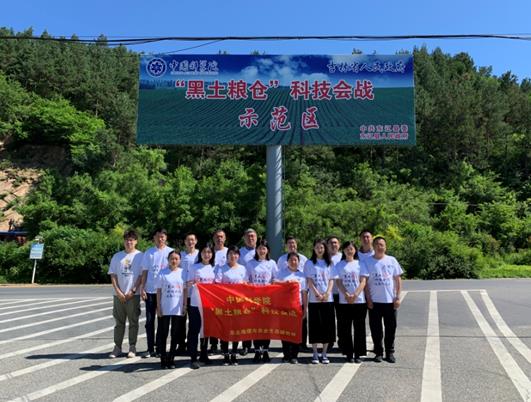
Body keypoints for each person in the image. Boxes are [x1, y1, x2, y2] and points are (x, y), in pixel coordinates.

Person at [361, 236, 403, 363]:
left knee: (391, 328)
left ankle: (389, 352)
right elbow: (365, 282)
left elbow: (398, 280)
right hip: (374, 302)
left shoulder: (392, 260)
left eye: (382, 245)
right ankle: (378, 352)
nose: (380, 247)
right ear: (373, 246)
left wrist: (397, 297)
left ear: (385, 246)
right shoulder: (367, 262)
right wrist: (368, 299)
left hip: (390, 301)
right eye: (377, 244)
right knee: (376, 329)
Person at [108, 229, 143, 359]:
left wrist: (133, 290)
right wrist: (118, 291)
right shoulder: (117, 256)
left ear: (136, 241)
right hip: (119, 295)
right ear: (124, 241)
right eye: (127, 240)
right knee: (119, 322)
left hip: (133, 295)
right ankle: (117, 347)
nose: (129, 242)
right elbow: (113, 275)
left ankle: (132, 347)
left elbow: (141, 275)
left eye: (131, 240)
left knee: (133, 322)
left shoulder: (140, 256)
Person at [140, 228, 173, 358]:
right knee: (149, 321)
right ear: (154, 238)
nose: (160, 239)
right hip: (150, 291)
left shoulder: (170, 252)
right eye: (158, 236)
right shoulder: (149, 252)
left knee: (162, 321)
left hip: (165, 292)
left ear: (166, 238)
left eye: (163, 236)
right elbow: (145, 271)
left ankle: (160, 348)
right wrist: (142, 288)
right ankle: (150, 348)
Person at [333, 241, 367, 363]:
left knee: (359, 329)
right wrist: (346, 294)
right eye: (347, 248)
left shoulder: (360, 264)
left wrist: (355, 294)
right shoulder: (339, 265)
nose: (349, 250)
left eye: (351, 248)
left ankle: (358, 354)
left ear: (355, 250)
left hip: (359, 301)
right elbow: (338, 282)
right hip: (344, 301)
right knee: (345, 329)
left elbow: (363, 281)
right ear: (343, 251)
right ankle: (348, 353)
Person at [215, 245, 248, 365]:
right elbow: (217, 285)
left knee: (236, 329)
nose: (233, 256)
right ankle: (225, 354)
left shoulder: (243, 269)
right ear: (227, 255)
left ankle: (234, 353)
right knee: (225, 329)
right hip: (225, 303)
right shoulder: (221, 268)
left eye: (235, 254)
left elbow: (246, 285)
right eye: (230, 254)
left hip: (238, 304)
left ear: (238, 256)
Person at [246, 238, 277, 363]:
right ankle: (257, 351)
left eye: (264, 248)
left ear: (267, 250)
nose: (261, 251)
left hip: (267, 299)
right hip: (254, 299)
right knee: (256, 326)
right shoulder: (250, 263)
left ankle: (265, 351)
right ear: (256, 250)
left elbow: (275, 279)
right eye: (259, 248)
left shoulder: (272, 263)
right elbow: (247, 280)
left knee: (266, 327)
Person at [304, 239, 335, 364]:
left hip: (328, 300)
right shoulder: (309, 263)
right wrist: (317, 293)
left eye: (321, 247)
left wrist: (327, 293)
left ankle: (324, 353)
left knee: (327, 327)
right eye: (317, 247)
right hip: (314, 300)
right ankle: (315, 353)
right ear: (314, 249)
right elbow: (309, 280)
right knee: (315, 327)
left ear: (325, 248)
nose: (319, 249)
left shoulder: (329, 263)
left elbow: (331, 280)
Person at [275, 252, 308, 364]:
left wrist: (305, 308)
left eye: (295, 260)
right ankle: (286, 355)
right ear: (287, 261)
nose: (293, 262)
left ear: (298, 262)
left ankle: (294, 355)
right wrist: (285, 282)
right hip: (284, 306)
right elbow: (274, 283)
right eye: (291, 260)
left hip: (297, 306)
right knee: (284, 331)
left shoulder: (302, 275)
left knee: (296, 331)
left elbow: (304, 293)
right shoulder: (281, 272)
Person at [156, 250, 187, 369]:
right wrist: (158, 307)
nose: (174, 261)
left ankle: (172, 358)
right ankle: (163, 357)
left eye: (176, 259)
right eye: (172, 258)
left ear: (179, 260)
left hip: (177, 308)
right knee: (163, 334)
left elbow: (185, 290)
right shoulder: (162, 273)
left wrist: (184, 305)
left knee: (175, 334)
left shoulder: (183, 272)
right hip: (165, 307)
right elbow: (158, 291)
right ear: (168, 260)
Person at [187, 244, 216, 369]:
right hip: (195, 303)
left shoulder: (214, 268)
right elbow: (188, 283)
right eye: (204, 252)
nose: (207, 254)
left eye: (209, 252)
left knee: (206, 329)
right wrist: (194, 283)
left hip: (208, 304)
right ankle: (193, 357)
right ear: (200, 254)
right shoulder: (194, 267)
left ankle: (204, 354)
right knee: (194, 330)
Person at [178, 233, 199, 355]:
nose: (190, 242)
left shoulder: (200, 254)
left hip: (195, 294)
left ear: (196, 241)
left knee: (193, 322)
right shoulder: (180, 255)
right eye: (188, 240)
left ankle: (192, 346)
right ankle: (181, 345)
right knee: (181, 320)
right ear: (185, 242)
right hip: (181, 293)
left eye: (192, 240)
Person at [238, 228, 257, 355]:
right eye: (248, 236)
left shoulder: (261, 250)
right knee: (245, 319)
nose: (251, 238)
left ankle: (258, 345)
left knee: (257, 318)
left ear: (256, 237)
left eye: (253, 236)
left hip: (258, 291)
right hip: (244, 290)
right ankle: (246, 345)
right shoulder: (240, 252)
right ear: (244, 238)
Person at [210, 229, 228, 355]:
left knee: (224, 318)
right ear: (213, 238)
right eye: (217, 236)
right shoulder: (209, 252)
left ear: (225, 238)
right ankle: (213, 344)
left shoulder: (228, 252)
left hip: (225, 291)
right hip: (210, 290)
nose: (219, 239)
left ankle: (224, 343)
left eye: (221, 236)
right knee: (213, 318)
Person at [327, 235, 342, 352]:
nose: (333, 245)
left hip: (342, 294)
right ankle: (329, 342)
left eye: (335, 243)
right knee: (329, 320)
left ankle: (342, 342)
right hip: (328, 295)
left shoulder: (343, 256)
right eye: (331, 243)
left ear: (339, 244)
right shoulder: (324, 258)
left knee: (342, 320)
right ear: (327, 245)